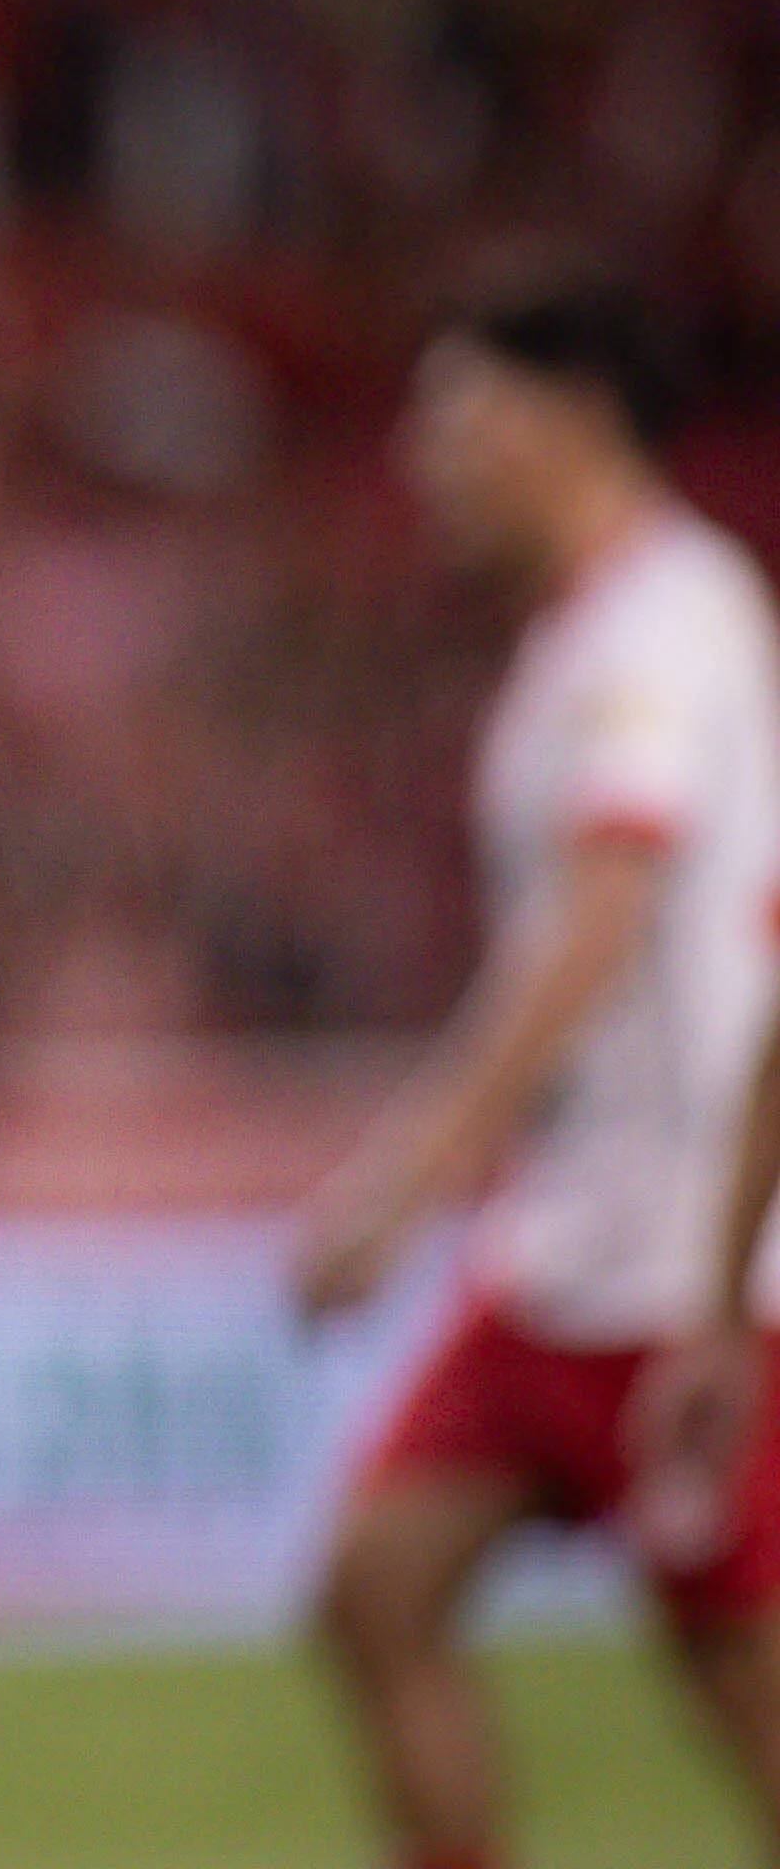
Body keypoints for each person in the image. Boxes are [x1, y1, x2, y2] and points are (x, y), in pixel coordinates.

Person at [294, 282, 780, 1869]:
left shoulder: (667, 624)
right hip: (576, 1242)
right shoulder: (586, 633)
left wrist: (408, 1177)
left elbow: (602, 922)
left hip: (700, 1253)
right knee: (377, 1589)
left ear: (572, 417)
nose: (427, 456)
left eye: (459, 415)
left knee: (740, 1684)